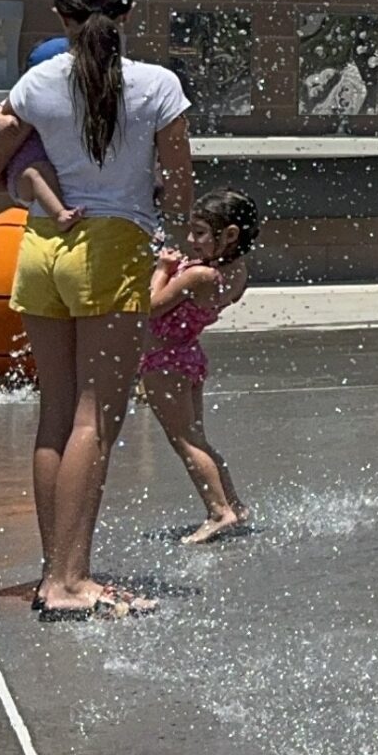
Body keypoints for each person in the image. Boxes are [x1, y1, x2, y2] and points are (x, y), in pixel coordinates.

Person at [0, 0, 192, 621]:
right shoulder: (158, 85)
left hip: (41, 249)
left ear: (61, 17)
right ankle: (71, 580)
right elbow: (178, 181)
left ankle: (56, 570)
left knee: (58, 414)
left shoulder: (38, 81)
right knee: (99, 417)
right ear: (126, 16)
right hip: (111, 249)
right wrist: (160, 206)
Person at [140, 190, 260, 544]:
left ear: (231, 235)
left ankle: (218, 512)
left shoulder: (199, 277)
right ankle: (234, 505)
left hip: (165, 361)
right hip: (188, 356)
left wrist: (162, 270)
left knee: (184, 440)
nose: (191, 240)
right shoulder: (236, 273)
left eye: (200, 233)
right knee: (197, 439)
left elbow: (150, 306)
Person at [0, 37, 80, 226]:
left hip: (55, 178)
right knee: (37, 173)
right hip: (24, 173)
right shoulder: (25, 102)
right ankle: (60, 215)